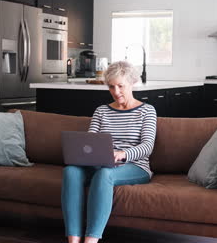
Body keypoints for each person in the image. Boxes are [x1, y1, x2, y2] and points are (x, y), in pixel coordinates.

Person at [61, 61, 157, 243]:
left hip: (134, 165)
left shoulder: (146, 111)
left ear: (132, 83)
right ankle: (73, 240)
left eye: (121, 86)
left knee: (105, 174)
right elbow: (89, 142)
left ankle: (91, 240)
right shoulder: (101, 111)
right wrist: (88, 155)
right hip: (99, 162)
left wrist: (122, 154)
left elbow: (147, 146)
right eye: (111, 87)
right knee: (71, 171)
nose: (116, 91)